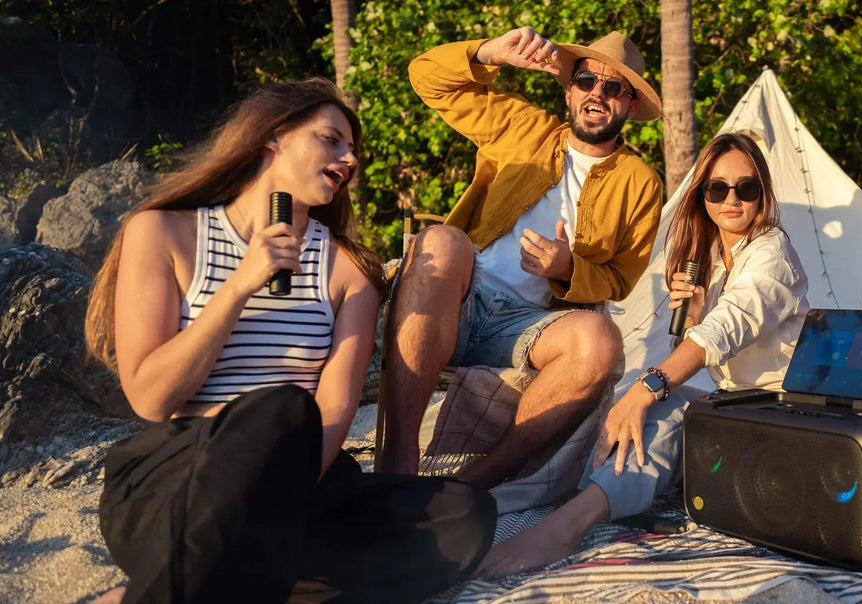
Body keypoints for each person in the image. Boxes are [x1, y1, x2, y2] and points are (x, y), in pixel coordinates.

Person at [82, 78, 494, 603]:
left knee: (464, 517)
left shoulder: (350, 271)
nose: (348, 159)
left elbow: (336, 410)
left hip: (301, 481)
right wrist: (239, 287)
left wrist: (274, 499)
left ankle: (227, 574)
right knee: (279, 411)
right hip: (179, 477)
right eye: (331, 140)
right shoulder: (164, 232)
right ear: (273, 137)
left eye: (353, 151)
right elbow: (149, 397)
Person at [475, 132, 811, 574]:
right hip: (738, 407)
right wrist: (691, 313)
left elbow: (722, 332)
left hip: (781, 414)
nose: (731, 199)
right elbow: (699, 339)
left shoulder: (772, 255)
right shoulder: (712, 255)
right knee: (620, 408)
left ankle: (565, 528)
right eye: (717, 188)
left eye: (746, 188)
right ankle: (527, 498)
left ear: (763, 194)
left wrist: (648, 387)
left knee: (665, 413)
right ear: (702, 196)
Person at [377, 26, 665, 489]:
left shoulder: (641, 182)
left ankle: (476, 483)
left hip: (530, 326)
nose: (597, 93)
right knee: (443, 240)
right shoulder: (522, 126)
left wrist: (567, 268)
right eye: (587, 81)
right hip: (459, 298)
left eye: (614, 88)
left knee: (601, 340)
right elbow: (426, 77)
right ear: (569, 89)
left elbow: (621, 279)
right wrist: (491, 52)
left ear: (630, 106)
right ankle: (397, 464)